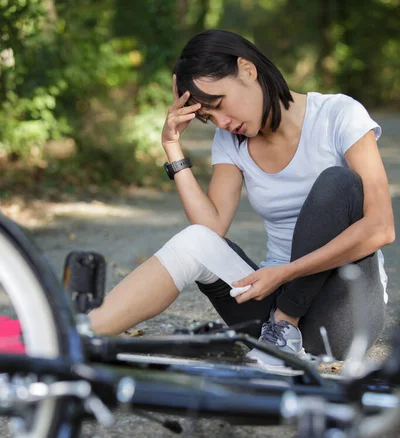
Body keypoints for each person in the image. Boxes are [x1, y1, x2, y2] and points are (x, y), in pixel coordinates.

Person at [89, 29, 395, 364]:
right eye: (208, 117)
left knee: (338, 183)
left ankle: (285, 324)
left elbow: (381, 228)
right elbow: (211, 227)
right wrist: (172, 146)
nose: (221, 122)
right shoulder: (230, 141)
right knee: (194, 241)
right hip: (269, 305)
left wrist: (287, 274)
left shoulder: (338, 115)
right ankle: (74, 334)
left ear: (247, 70)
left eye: (219, 104)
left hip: (340, 315)